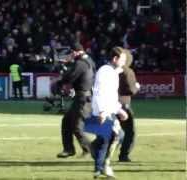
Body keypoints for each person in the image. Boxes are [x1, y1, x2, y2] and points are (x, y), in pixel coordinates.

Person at [87, 46, 128, 178]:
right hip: (103, 111)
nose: (124, 63)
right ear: (115, 59)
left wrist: (119, 109)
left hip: (108, 110)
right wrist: (102, 111)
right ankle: (100, 168)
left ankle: (98, 158)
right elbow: (99, 93)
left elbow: (111, 96)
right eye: (122, 59)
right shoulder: (105, 71)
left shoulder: (113, 73)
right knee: (110, 138)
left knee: (115, 136)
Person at [56, 43, 96, 158]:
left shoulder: (80, 63)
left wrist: (59, 80)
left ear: (76, 51)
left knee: (77, 127)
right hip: (84, 97)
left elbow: (69, 77)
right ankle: (69, 149)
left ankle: (92, 150)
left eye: (72, 52)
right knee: (67, 121)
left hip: (83, 98)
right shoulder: (88, 60)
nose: (71, 55)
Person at [118, 49, 140, 162]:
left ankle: (98, 150)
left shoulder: (111, 70)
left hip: (110, 104)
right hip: (123, 104)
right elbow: (131, 90)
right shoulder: (128, 71)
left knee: (109, 130)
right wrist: (136, 87)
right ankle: (124, 155)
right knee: (130, 132)